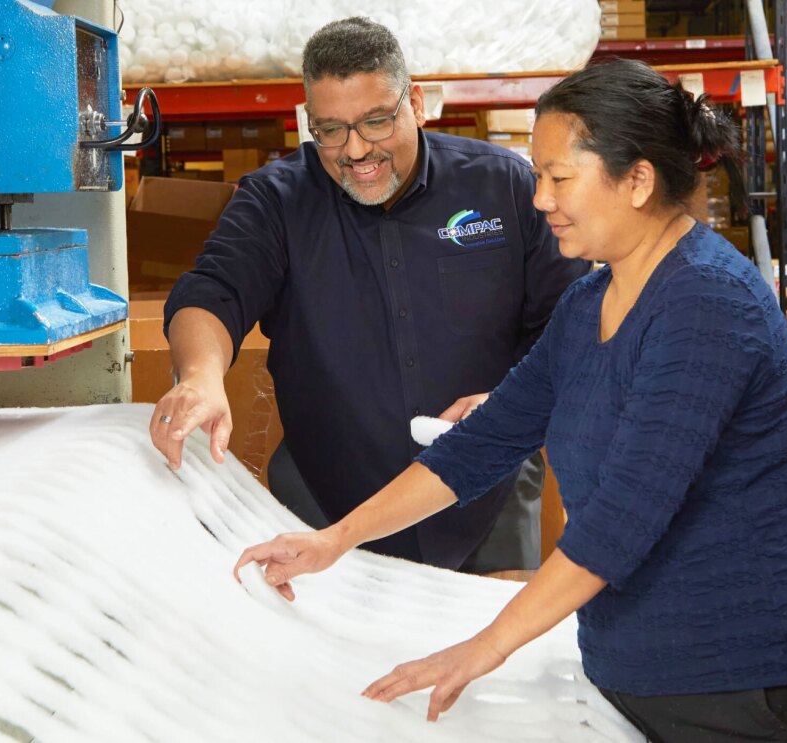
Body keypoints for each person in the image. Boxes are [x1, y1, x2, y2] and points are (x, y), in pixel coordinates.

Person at [234, 58, 787, 743]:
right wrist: (333, 540)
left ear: (637, 179)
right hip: (648, 673)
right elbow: (484, 441)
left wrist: (481, 648)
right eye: (537, 175)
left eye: (559, 177)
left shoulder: (706, 304)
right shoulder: (588, 303)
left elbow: (618, 524)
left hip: (761, 674)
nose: (539, 200)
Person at [150, 17, 589, 573]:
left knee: (490, 648)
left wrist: (508, 401)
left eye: (376, 122)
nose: (356, 150)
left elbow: (571, 321)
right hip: (325, 505)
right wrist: (200, 377)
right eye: (330, 130)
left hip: (487, 496)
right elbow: (213, 291)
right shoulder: (275, 202)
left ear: (418, 103)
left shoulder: (503, 187)